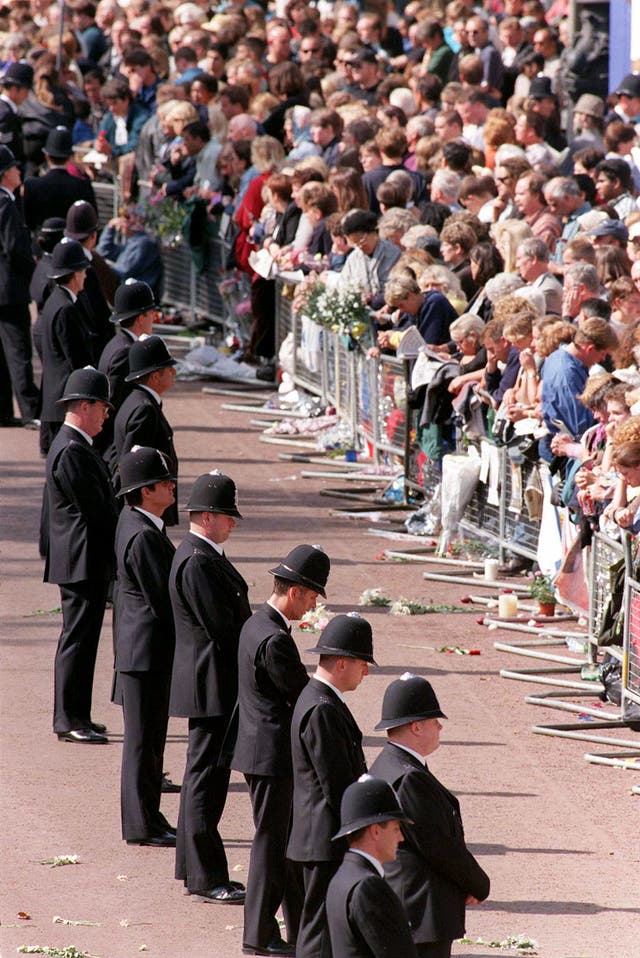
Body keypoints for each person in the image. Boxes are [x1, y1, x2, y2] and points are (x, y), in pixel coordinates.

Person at [233, 545, 331, 958]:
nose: (310, 607)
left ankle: (295, 927)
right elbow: (300, 695)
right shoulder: (274, 639)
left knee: (283, 842)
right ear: (294, 592)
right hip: (272, 755)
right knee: (273, 845)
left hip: (260, 749)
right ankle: (258, 933)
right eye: (310, 598)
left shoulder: (256, 624)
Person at [169, 471, 251, 904]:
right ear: (203, 516)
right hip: (211, 683)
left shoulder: (203, 555)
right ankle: (206, 875)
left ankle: (191, 865)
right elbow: (222, 627)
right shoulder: (199, 560)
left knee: (202, 777)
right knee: (206, 781)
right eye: (225, 515)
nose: (232, 522)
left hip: (208, 681)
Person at [370, 674, 490, 958]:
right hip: (420, 910)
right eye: (434, 721)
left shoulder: (388, 764)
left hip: (406, 906)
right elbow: (439, 846)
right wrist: (477, 883)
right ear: (416, 727)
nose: (439, 727)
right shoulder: (410, 778)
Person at [288, 612, 375, 958]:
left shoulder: (319, 700)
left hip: (317, 836)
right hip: (325, 840)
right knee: (319, 935)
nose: (366, 672)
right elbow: (337, 783)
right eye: (362, 663)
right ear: (342, 663)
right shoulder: (322, 709)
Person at [43, 366, 118, 743]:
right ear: (84, 407)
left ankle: (79, 713)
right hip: (80, 559)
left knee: (85, 639)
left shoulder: (74, 445)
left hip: (81, 558)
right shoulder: (71, 449)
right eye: (102, 408)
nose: (106, 416)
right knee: (77, 638)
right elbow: (96, 509)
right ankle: (69, 718)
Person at [113, 446, 178, 847]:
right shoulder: (142, 536)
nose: (172, 486)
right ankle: (141, 825)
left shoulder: (140, 523)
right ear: (145, 490)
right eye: (165, 482)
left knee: (151, 741)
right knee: (143, 743)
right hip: (145, 653)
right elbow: (164, 599)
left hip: (142, 651)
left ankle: (149, 818)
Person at [325, 775, 417, 958]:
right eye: (396, 829)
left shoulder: (341, 878)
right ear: (375, 831)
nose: (401, 837)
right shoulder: (369, 887)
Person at [109, 335, 179, 526]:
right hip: (145, 506)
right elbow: (135, 463)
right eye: (168, 368)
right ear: (155, 376)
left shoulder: (137, 401)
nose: (173, 371)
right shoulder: (144, 410)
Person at [39, 239, 94, 453]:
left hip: (52, 400)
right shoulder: (66, 309)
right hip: (62, 403)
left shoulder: (55, 301)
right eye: (82, 270)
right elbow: (77, 359)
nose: (85, 275)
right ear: (74, 274)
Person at [0, 145, 38, 429]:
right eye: (13, 167)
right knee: (18, 350)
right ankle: (29, 409)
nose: (18, 171)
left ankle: (3, 410)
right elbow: (15, 249)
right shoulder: (6, 204)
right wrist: (33, 271)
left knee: (2, 354)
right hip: (9, 290)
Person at [97, 280, 159, 449]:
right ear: (140, 318)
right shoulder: (125, 353)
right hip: (115, 442)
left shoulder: (118, 343)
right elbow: (114, 402)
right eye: (150, 313)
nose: (154, 318)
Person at [22, 126, 96, 232]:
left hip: (41, 243)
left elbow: (28, 223)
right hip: (72, 244)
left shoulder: (31, 185)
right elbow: (91, 222)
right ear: (70, 157)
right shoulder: (83, 186)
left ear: (47, 156)